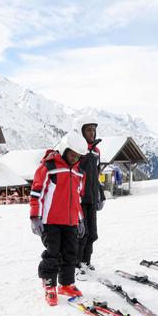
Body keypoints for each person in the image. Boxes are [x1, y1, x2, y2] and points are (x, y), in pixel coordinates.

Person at [30, 131, 87, 306]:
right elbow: (36, 193)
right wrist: (35, 217)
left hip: (70, 221)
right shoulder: (49, 168)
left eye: (78, 156)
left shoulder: (79, 173)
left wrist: (80, 220)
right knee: (52, 253)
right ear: (64, 150)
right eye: (71, 154)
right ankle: (49, 285)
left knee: (71, 252)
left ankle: (66, 284)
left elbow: (77, 198)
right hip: (50, 221)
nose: (74, 159)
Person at [74, 116, 105, 276]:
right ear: (81, 131)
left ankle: (86, 261)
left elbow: (97, 176)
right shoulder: (77, 150)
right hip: (79, 200)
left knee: (92, 234)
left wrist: (101, 196)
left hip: (92, 199)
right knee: (82, 234)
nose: (92, 133)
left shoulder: (96, 151)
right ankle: (76, 264)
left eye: (93, 129)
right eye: (88, 129)